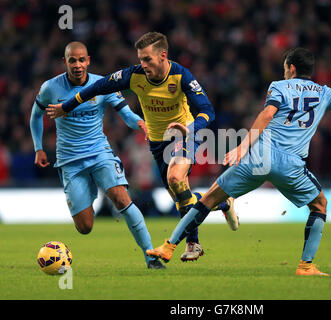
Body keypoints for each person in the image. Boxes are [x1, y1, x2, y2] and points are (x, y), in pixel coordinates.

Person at [145, 47, 331, 276]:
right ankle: (306, 265)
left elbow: (268, 115)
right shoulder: (325, 92)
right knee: (319, 205)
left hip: (259, 157)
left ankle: (168, 246)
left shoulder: (279, 87)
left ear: (291, 68)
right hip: (291, 165)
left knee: (207, 200)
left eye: (285, 67)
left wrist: (243, 146)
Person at [46, 32, 238, 262]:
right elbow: (96, 88)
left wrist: (192, 129)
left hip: (185, 134)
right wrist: (66, 106)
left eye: (147, 59)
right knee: (181, 197)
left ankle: (193, 243)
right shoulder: (133, 76)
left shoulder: (181, 76)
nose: (142, 64)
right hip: (158, 143)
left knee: (176, 179)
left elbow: (208, 111)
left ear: (163, 56)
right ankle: (219, 204)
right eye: (140, 59)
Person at [30, 41, 165, 269]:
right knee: (85, 227)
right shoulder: (51, 88)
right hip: (70, 161)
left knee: (122, 199)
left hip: (99, 153)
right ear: (65, 62)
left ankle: (151, 256)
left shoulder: (103, 85)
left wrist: (142, 124)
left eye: (82, 60)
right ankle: (87, 193)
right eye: (72, 60)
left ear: (88, 60)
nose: (77, 65)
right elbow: (35, 116)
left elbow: (126, 114)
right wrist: (38, 148)